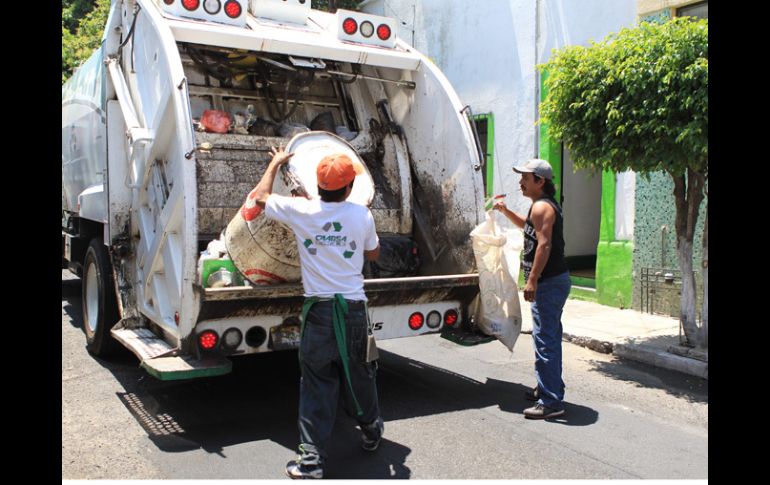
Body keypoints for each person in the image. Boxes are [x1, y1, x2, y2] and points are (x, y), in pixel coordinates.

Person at [251, 147, 384, 479]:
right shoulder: (361, 215)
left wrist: (276, 162)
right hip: (353, 310)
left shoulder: (302, 210)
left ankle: (311, 462)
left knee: (316, 383)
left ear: (317, 184)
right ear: (350, 188)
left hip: (320, 313)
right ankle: (370, 428)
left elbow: (259, 197)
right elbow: (374, 253)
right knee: (360, 374)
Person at [493, 159, 571, 419]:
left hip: (548, 283)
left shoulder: (542, 207)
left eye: (525, 178)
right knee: (548, 337)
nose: (520, 182)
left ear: (540, 181)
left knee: (545, 341)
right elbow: (529, 229)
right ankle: (549, 388)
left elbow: (544, 245)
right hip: (553, 282)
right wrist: (505, 212)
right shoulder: (539, 207)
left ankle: (551, 402)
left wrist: (533, 279)